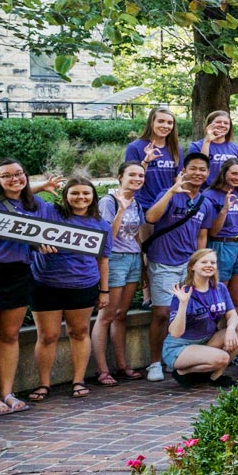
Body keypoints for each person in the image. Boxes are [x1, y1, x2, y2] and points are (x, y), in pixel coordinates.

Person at [26, 175, 109, 402]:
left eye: (85, 193)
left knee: (79, 332)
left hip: (83, 285)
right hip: (45, 284)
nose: (80, 197)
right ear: (65, 196)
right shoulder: (49, 212)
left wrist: (104, 291)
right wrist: (42, 186)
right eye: (74, 193)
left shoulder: (100, 224)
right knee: (47, 336)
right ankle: (44, 384)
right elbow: (20, 198)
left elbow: (103, 260)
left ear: (93, 197)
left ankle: (78, 380)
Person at [142, 153, 212, 382]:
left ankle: (178, 356)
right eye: (193, 168)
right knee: (162, 313)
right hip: (163, 262)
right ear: (184, 170)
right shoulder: (169, 193)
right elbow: (151, 218)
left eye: (202, 169)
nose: (198, 173)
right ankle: (154, 362)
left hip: (188, 265)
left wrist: (198, 266)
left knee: (187, 313)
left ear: (208, 173)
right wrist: (172, 191)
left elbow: (202, 237)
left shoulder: (205, 202)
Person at [90, 162, 147, 386]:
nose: (137, 178)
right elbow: (107, 237)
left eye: (141, 175)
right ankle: (102, 369)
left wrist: (142, 264)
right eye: (132, 174)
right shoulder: (108, 201)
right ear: (119, 177)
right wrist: (121, 210)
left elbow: (136, 235)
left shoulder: (138, 203)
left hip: (133, 259)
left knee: (122, 313)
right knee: (106, 315)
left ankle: (122, 365)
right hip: (114, 260)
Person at [163, 248, 238, 385]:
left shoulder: (219, 288)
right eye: (204, 262)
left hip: (207, 340)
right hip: (180, 347)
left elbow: (232, 315)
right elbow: (175, 333)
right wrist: (183, 304)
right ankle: (182, 372)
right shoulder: (184, 291)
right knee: (222, 358)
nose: (209, 265)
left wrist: (230, 329)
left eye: (213, 262)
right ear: (192, 266)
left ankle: (215, 377)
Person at [202, 159, 238, 309]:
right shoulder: (210, 196)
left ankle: (235, 331)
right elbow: (212, 231)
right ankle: (218, 331)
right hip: (221, 245)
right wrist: (224, 210)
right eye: (234, 173)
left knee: (237, 300)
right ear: (224, 173)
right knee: (219, 299)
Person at [124, 106, 182, 205]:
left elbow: (178, 179)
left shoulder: (176, 149)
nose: (165, 126)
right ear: (151, 123)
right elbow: (130, 179)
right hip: (143, 204)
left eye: (169, 123)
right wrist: (146, 161)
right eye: (160, 121)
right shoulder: (135, 147)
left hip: (168, 205)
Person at [187, 109, 238, 183]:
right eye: (218, 122)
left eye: (226, 123)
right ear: (209, 125)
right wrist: (207, 141)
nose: (222, 125)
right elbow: (199, 166)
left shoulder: (237, 149)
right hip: (204, 191)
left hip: (230, 191)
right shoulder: (196, 146)